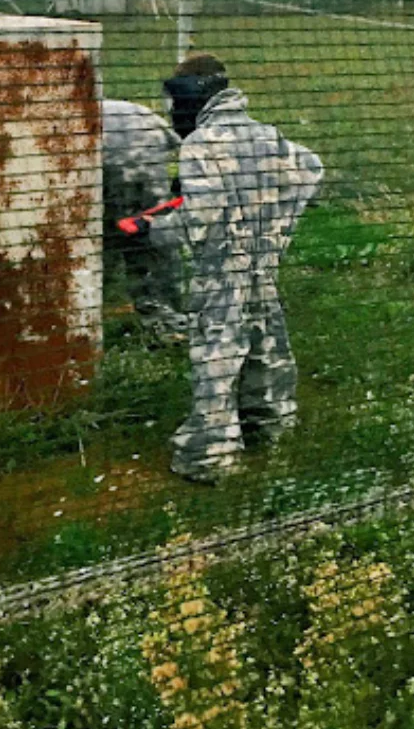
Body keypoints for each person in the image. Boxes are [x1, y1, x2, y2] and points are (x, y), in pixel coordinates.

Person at [146, 54, 323, 481]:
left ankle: (211, 455)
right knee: (267, 343)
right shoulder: (266, 134)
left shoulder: (202, 144)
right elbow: (312, 169)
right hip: (263, 265)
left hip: (222, 271)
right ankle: (273, 428)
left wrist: (157, 228)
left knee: (217, 356)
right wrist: (277, 224)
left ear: (191, 96)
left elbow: (199, 218)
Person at [101, 98, 188, 339]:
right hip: (145, 148)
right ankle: (167, 318)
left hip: (112, 160)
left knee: (113, 234)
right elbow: (174, 143)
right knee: (151, 235)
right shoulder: (137, 112)